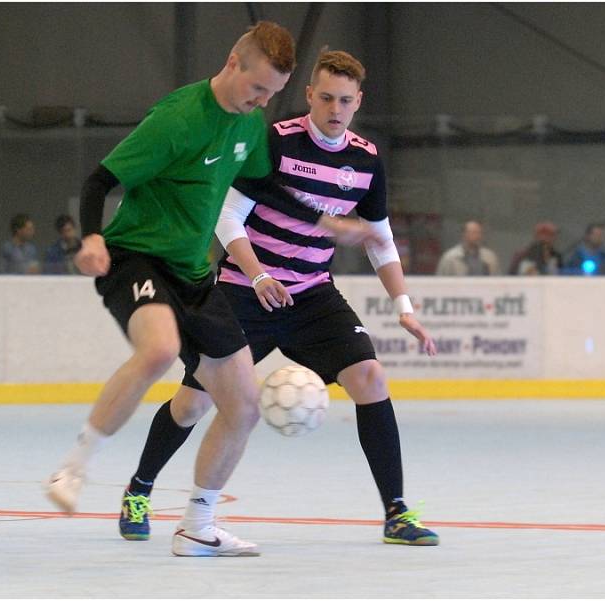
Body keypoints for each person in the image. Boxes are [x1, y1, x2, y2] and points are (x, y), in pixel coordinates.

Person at [45, 23, 379, 558]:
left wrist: (325, 221)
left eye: (272, 94)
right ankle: (74, 467)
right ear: (233, 62)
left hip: (195, 275)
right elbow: (98, 181)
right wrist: (90, 237)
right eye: (258, 89)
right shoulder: (177, 119)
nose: (263, 102)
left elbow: (266, 186)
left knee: (243, 406)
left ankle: (197, 525)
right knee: (158, 350)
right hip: (136, 257)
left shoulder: (248, 126)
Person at [117, 49, 441, 549]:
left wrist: (404, 309)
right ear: (309, 94)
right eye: (326, 97)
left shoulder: (367, 160)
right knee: (194, 402)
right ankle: (140, 489)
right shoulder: (274, 142)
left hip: (312, 294)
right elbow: (228, 218)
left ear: (359, 102)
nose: (335, 108)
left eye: (346, 101)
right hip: (246, 293)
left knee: (371, 377)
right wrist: (259, 273)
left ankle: (396, 513)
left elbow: (381, 239)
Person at [435, 220, 501, 276]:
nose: (478, 236)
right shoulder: (450, 258)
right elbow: (440, 282)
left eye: (480, 233)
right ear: (464, 234)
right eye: (474, 232)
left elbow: (497, 281)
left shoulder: (490, 257)